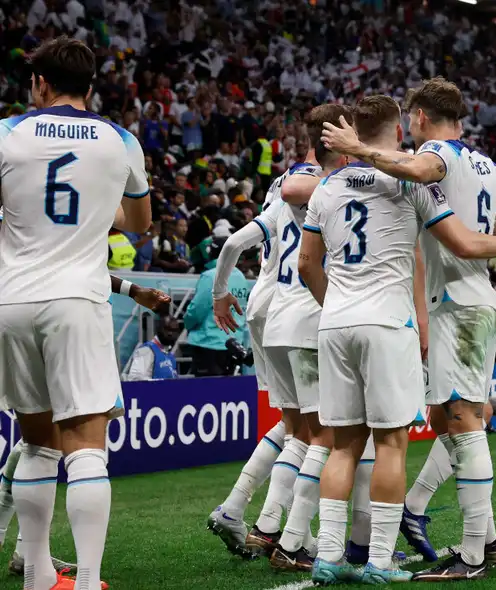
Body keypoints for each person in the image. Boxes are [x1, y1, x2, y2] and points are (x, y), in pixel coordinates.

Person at [301, 94, 496, 585]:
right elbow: (466, 242)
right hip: (393, 322)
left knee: (342, 447)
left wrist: (335, 307)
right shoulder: (412, 184)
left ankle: (328, 557)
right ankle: (383, 561)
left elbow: (306, 265)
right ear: (402, 130)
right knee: (395, 442)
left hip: (336, 322)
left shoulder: (326, 187)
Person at [0, 37, 152, 590]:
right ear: (90, 86)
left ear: (39, 84)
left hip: (11, 300)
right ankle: (87, 581)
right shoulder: (119, 140)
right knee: (86, 445)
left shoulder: (7, 133)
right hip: (77, 299)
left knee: (36, 440)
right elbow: (139, 222)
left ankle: (38, 575)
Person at [206, 122, 324, 558]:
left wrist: (222, 292)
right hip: (296, 304)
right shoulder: (324, 184)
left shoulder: (281, 183)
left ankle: (237, 507)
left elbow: (236, 242)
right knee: (315, 430)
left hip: (261, 307)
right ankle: (279, 526)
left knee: (293, 426)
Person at [0, 275, 167, 578]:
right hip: (75, 311)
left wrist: (131, 289)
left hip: (15, 306)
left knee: (37, 440)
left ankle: (28, 558)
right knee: (83, 444)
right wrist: (132, 289)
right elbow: (131, 227)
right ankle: (79, 578)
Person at [184, 237, 251, 377]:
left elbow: (196, 311)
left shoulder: (210, 276)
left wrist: (187, 324)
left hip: (208, 344)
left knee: (207, 395)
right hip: (233, 344)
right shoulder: (241, 278)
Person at [120, 316, 181, 380]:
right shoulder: (146, 350)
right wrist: (160, 383)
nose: (170, 333)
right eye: (166, 329)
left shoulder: (170, 355)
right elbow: (134, 378)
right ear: (158, 329)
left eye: (174, 330)